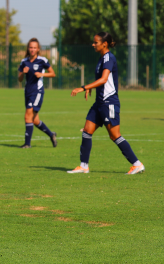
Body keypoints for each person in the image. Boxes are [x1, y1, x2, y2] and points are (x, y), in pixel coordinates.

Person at [68, 32, 144, 174]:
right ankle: (84, 165)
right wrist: (91, 89)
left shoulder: (109, 58)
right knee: (87, 131)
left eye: (95, 42)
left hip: (109, 102)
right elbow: (102, 82)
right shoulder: (101, 58)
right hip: (99, 102)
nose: (93, 44)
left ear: (104, 44)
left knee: (114, 135)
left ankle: (137, 164)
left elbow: (103, 80)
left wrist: (83, 87)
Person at [17, 38, 57, 148]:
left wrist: (42, 74)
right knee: (35, 120)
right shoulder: (24, 61)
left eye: (35, 47)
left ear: (38, 49)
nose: (32, 49)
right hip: (28, 92)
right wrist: (22, 73)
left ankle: (27, 144)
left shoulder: (42, 60)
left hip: (37, 91)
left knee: (27, 116)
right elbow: (19, 79)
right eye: (31, 47)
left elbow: (53, 74)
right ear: (28, 48)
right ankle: (51, 134)